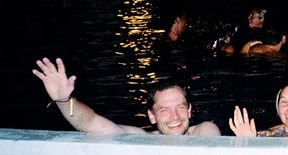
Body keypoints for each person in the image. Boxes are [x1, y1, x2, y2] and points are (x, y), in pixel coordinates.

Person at [32, 57, 220, 135]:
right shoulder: (142, 139)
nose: (175, 117)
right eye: (164, 110)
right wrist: (63, 100)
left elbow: (209, 142)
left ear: (189, 110)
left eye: (180, 107)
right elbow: (88, 123)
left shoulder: (205, 130)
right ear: (151, 116)